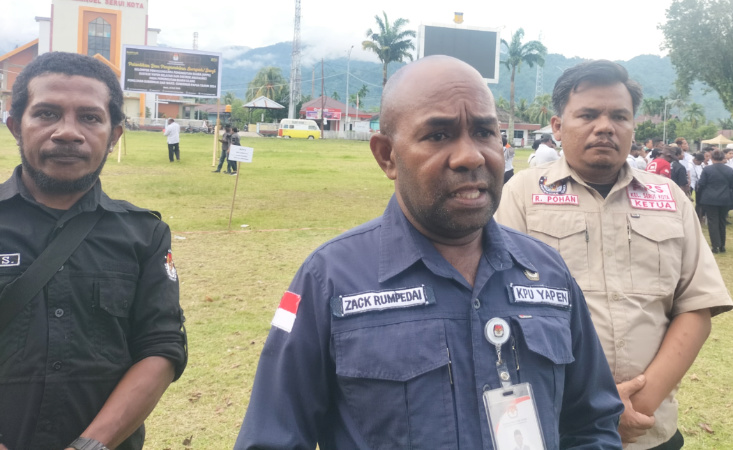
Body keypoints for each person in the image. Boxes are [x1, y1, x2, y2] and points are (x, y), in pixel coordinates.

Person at [234, 56, 623, 449]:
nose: (471, 156)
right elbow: (271, 439)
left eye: (484, 132)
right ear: (387, 156)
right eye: (438, 135)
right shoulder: (329, 279)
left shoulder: (547, 271)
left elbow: (592, 424)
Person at [495, 59, 732, 450]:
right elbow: (501, 312)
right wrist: (594, 412)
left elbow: (697, 307)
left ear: (632, 125)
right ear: (558, 127)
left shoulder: (669, 198)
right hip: (561, 428)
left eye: (619, 116)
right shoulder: (521, 194)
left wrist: (635, 405)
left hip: (647, 429)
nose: (605, 126)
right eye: (588, 114)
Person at [0, 52, 187, 450]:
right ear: (15, 126)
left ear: (114, 134)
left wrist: (89, 446)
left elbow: (160, 347)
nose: (68, 132)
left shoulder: (145, 235)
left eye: (89, 117)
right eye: (47, 114)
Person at [696, 149, 733, 253]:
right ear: (723, 157)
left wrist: (699, 199)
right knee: (722, 221)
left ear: (712, 158)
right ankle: (722, 245)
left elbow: (701, 184)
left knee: (713, 222)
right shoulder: (730, 170)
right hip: (725, 199)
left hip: (710, 199)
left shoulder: (707, 169)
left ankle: (715, 245)